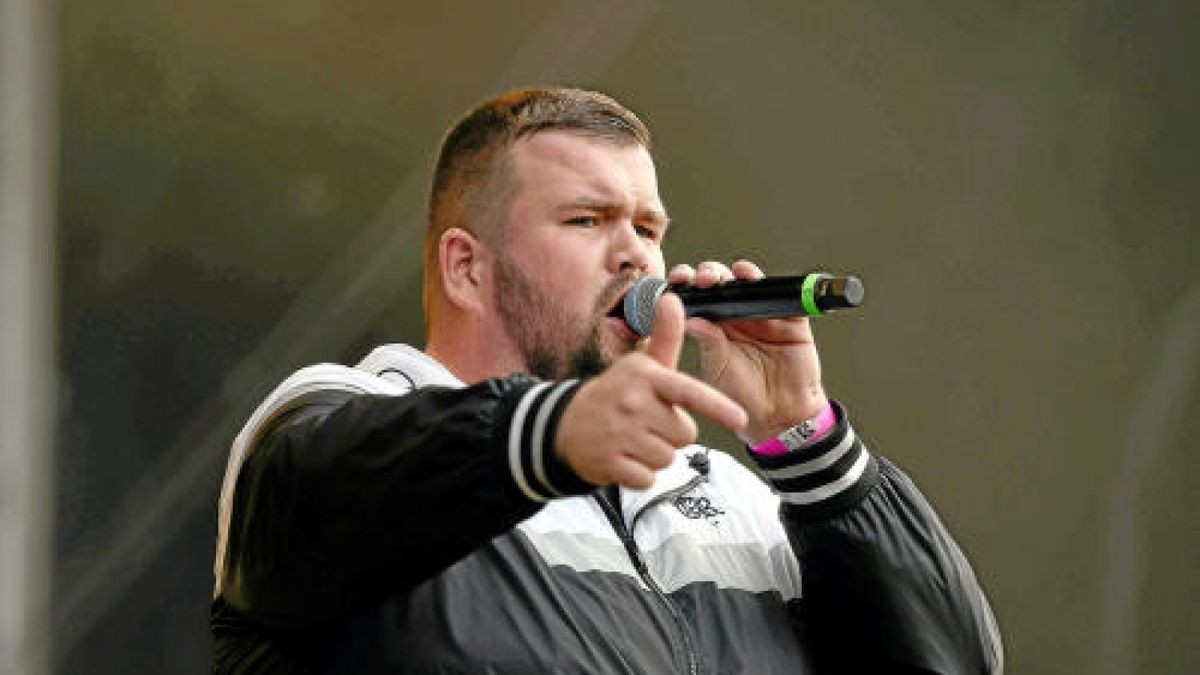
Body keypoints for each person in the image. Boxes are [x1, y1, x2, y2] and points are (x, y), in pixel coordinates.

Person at [211, 87, 1003, 674]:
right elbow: (320, 494)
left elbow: (956, 662)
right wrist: (554, 430)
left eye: (649, 227)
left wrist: (807, 441)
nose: (636, 256)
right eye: (587, 220)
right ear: (466, 266)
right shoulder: (343, 420)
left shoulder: (735, 498)